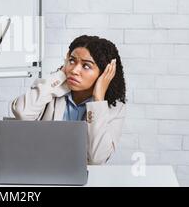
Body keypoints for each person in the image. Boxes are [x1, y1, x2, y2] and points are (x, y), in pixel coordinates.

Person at [12, 35, 126, 165]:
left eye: (86, 66)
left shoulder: (114, 108)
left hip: (85, 178)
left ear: (104, 74)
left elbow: (97, 159)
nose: (74, 70)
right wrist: (60, 75)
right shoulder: (49, 89)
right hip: (42, 168)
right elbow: (22, 113)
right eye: (72, 61)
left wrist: (98, 99)